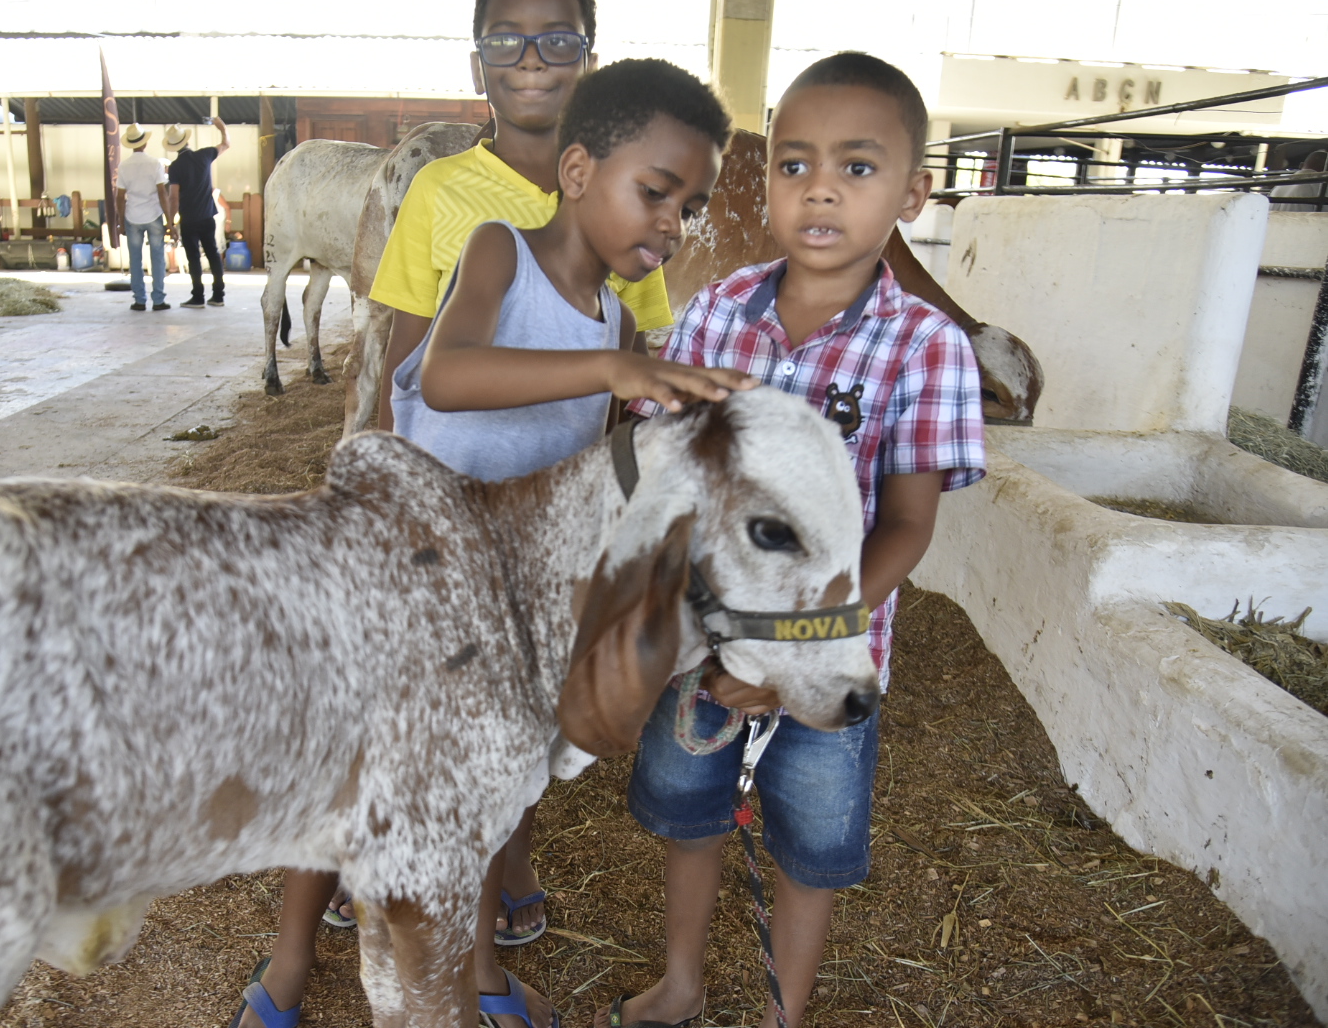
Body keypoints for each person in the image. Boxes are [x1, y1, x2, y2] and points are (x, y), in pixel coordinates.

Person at [223, 58, 750, 1028]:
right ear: (579, 172)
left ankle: (479, 975)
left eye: (692, 206)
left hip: (504, 597)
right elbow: (450, 376)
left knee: (481, 789)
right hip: (414, 571)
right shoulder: (501, 252)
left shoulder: (617, 317)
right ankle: (290, 962)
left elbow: (585, 465)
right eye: (656, 193)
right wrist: (612, 369)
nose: (674, 224)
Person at [599, 52, 987, 1028]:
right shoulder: (713, 314)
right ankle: (682, 982)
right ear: (765, 181)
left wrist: (794, 650)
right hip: (706, 647)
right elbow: (659, 465)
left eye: (857, 167)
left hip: (831, 656)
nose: (820, 189)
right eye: (793, 164)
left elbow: (907, 526)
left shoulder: (925, 345)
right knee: (692, 818)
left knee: (808, 852)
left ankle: (785, 1015)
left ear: (914, 193)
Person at [166, 116, 230, 307]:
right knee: (213, 253)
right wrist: (222, 128)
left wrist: (171, 222)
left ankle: (198, 296)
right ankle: (218, 295)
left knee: (193, 258)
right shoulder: (205, 155)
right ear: (186, 141)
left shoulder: (175, 167)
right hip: (207, 215)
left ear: (174, 147)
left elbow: (174, 197)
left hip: (189, 218)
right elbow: (226, 144)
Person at [115, 123, 174, 311]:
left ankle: (139, 300)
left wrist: (120, 221)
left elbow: (120, 197)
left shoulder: (123, 166)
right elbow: (162, 193)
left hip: (132, 216)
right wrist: (169, 221)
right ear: (145, 143)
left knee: (135, 259)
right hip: (153, 214)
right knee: (157, 258)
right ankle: (158, 300)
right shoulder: (155, 164)